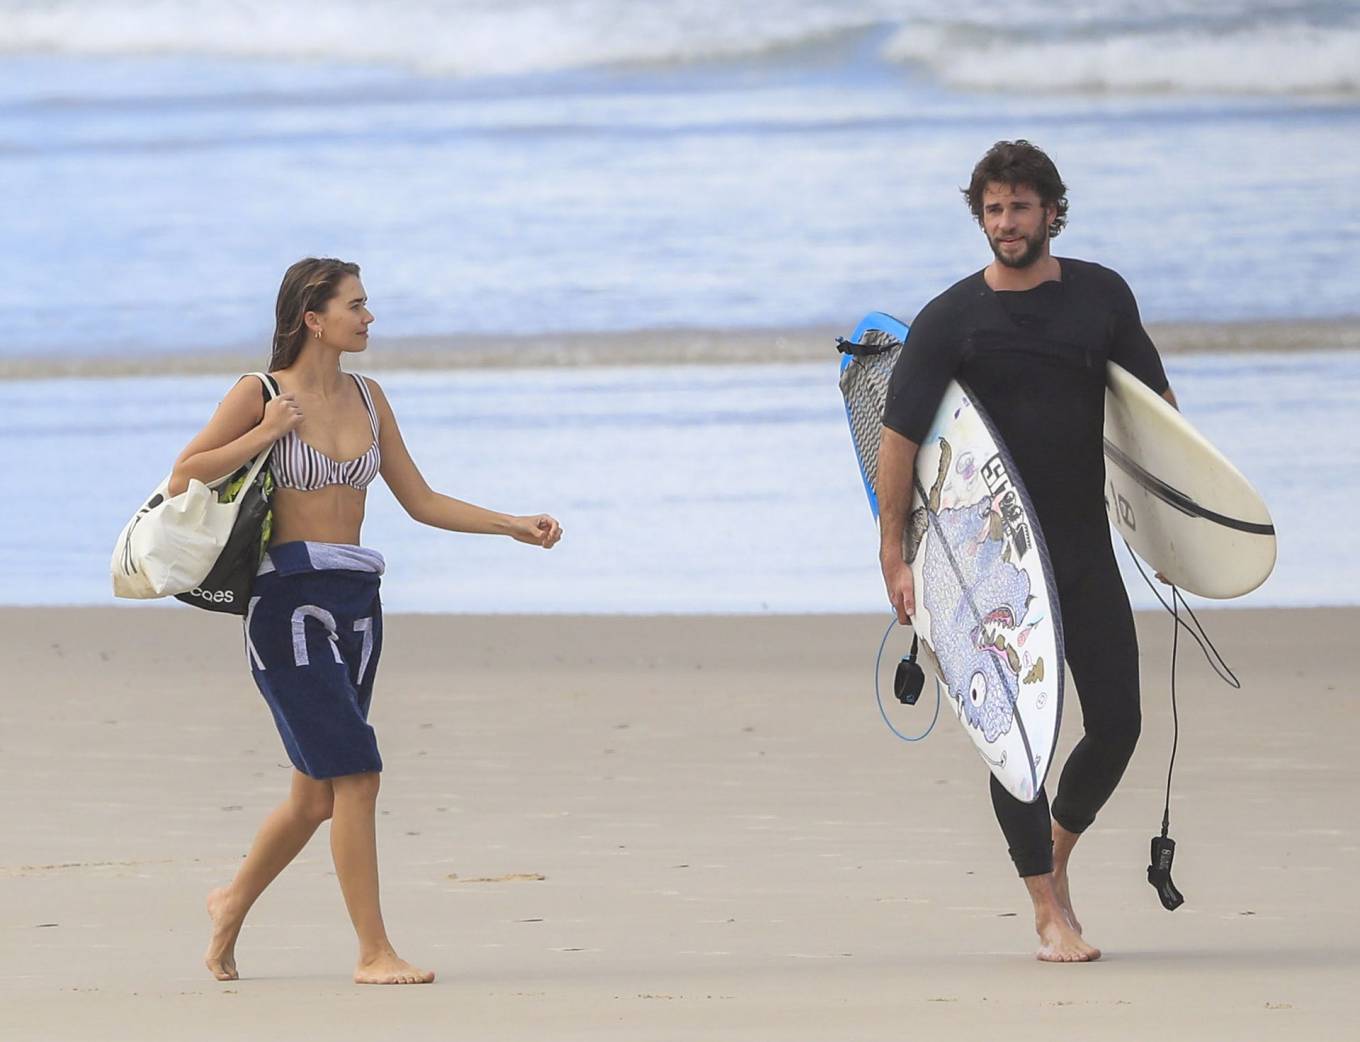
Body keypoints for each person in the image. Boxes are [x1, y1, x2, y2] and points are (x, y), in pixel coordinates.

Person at [169, 257, 563, 985]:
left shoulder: (371, 398)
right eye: (356, 305)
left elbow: (419, 499)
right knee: (358, 775)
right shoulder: (260, 393)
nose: (370, 317)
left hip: (358, 606)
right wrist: (264, 433)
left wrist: (508, 522)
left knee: (315, 793)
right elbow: (185, 474)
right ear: (314, 318)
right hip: (287, 607)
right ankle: (372, 952)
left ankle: (229, 904)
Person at [875, 141, 1176, 963]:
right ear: (981, 217)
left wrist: (1179, 524)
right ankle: (1048, 911)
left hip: (1081, 545)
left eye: (1020, 207)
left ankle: (1055, 850)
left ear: (1052, 210)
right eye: (993, 209)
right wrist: (896, 555)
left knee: (1118, 723)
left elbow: (1156, 411)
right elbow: (897, 440)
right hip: (988, 564)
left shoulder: (1102, 297)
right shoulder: (951, 319)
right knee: (1016, 739)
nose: (1006, 223)